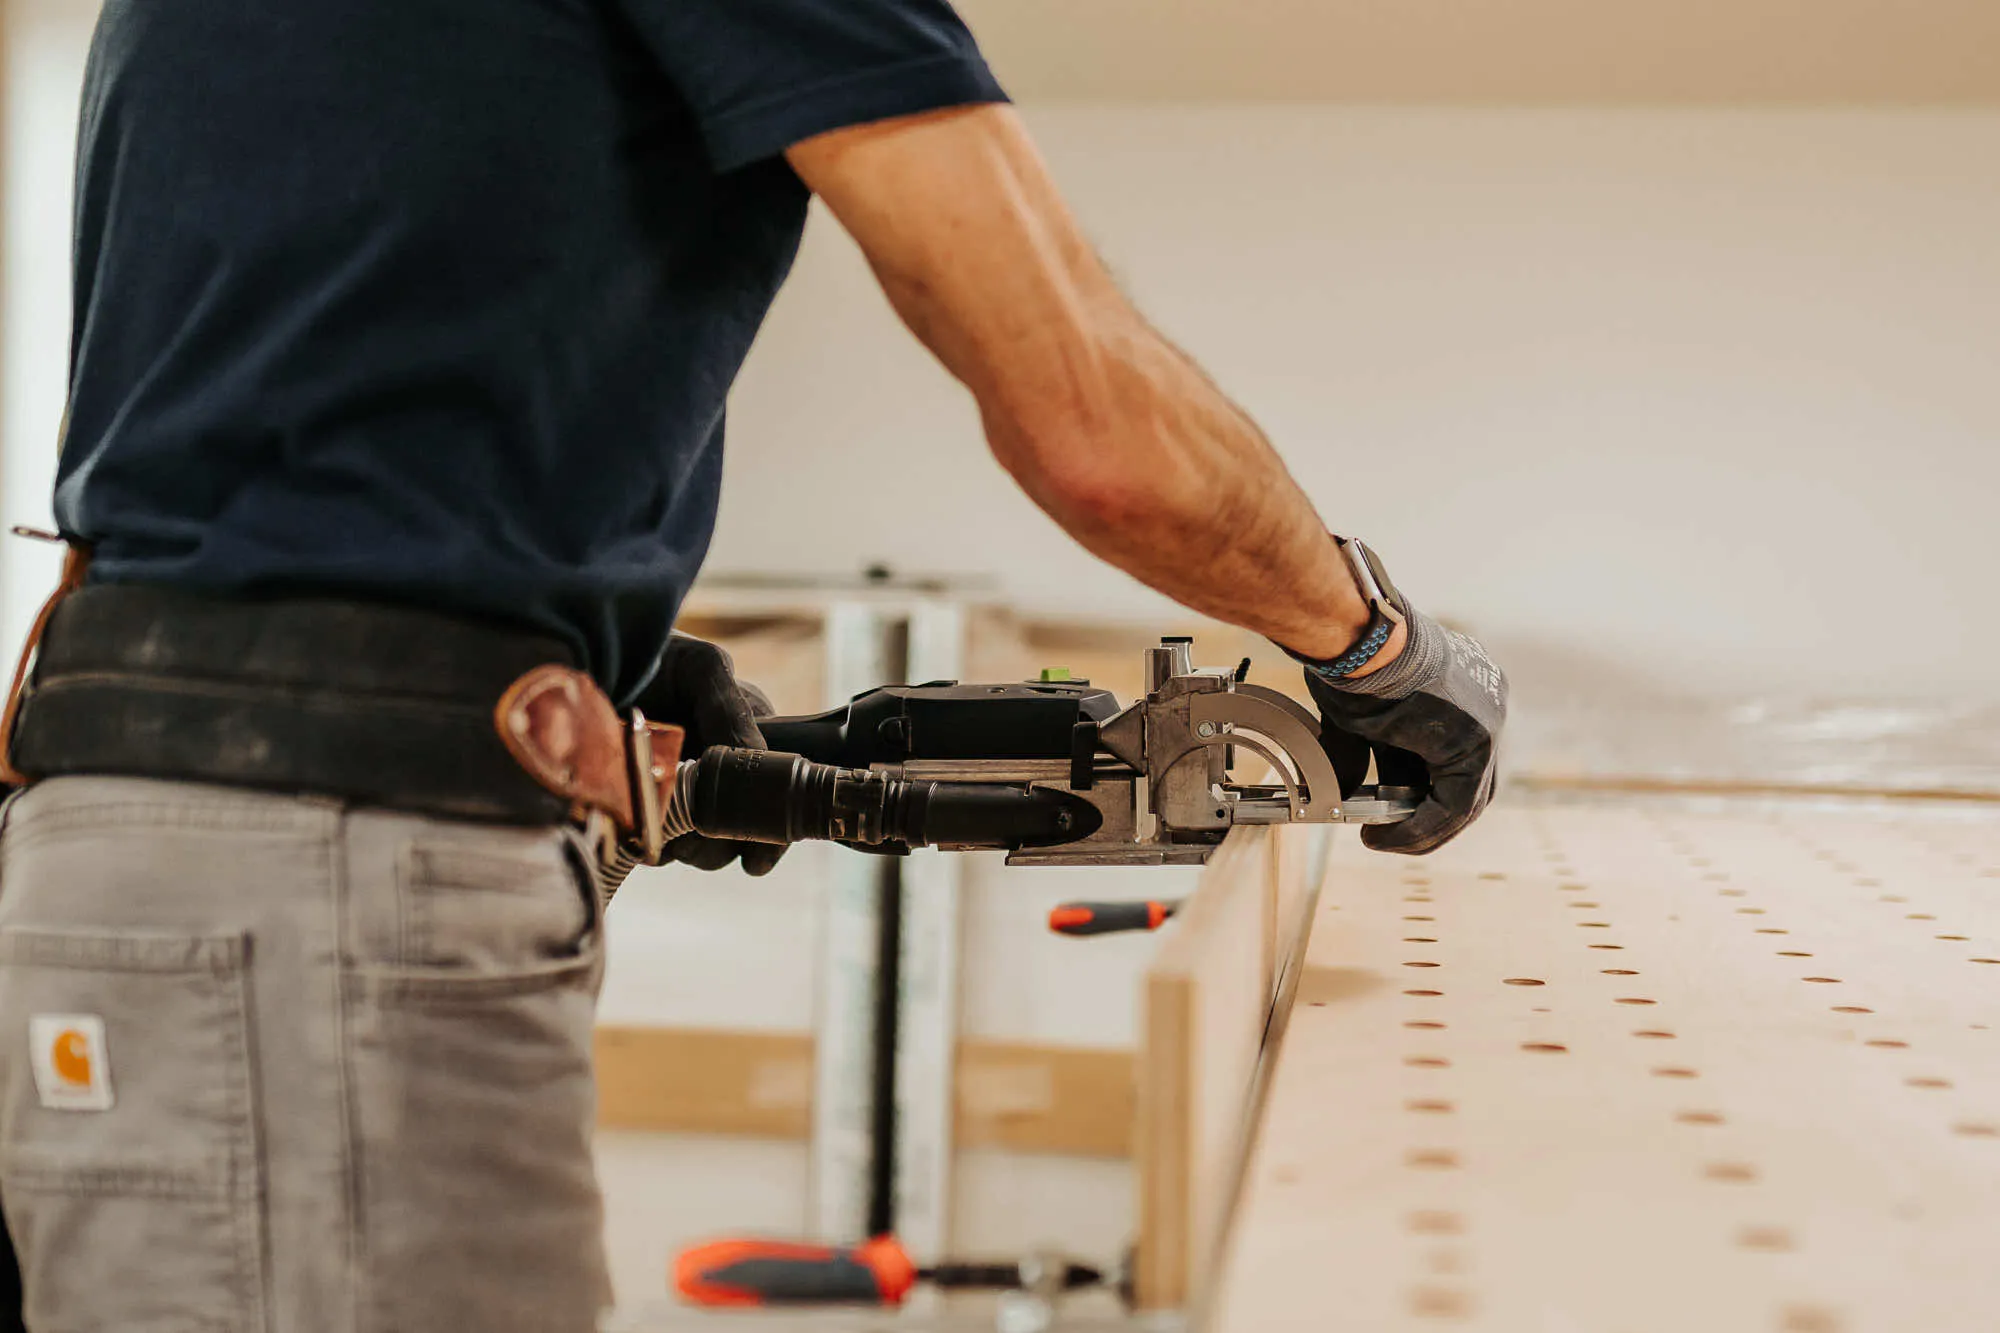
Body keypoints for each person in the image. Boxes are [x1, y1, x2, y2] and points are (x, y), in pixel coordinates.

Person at [0, 0, 1505, 1328]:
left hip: (195, 838)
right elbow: (1096, 428)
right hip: (322, 873)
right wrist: (1372, 641)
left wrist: (599, 657)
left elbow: (280, 407)